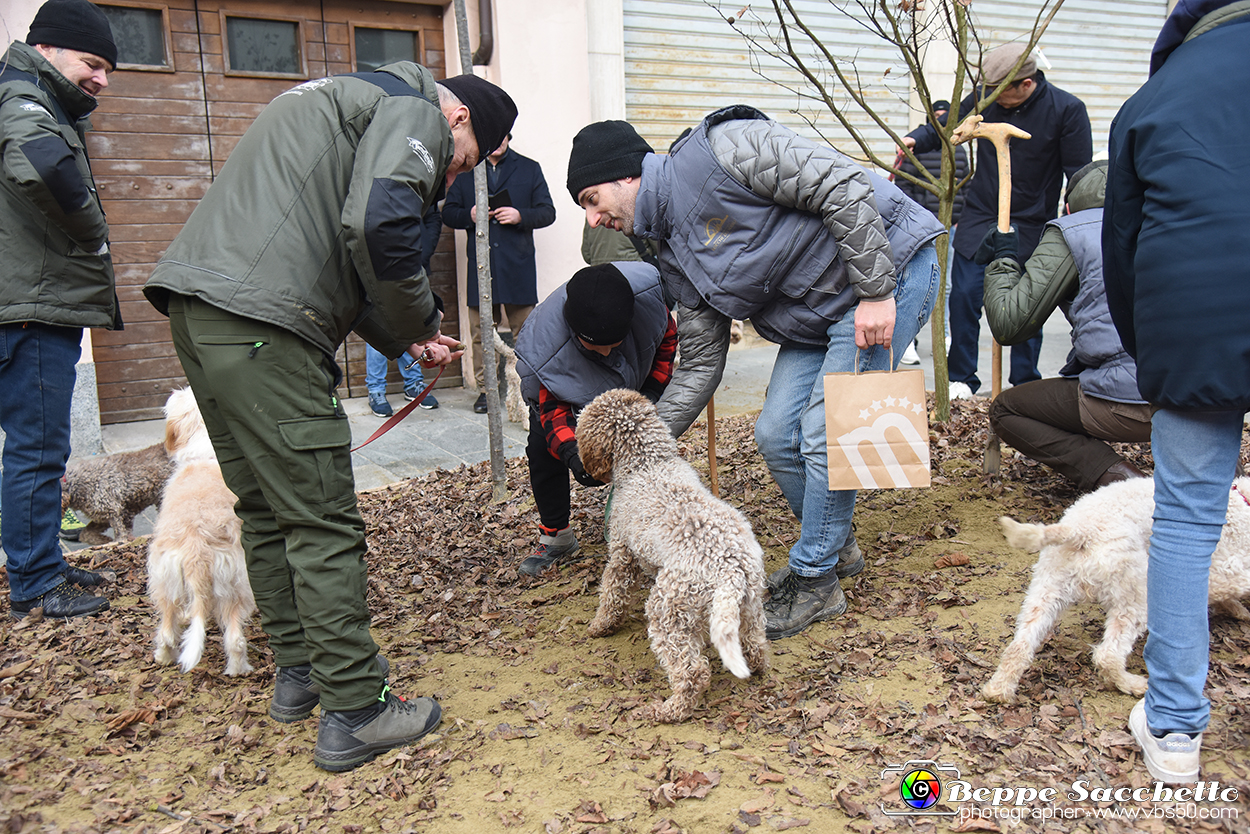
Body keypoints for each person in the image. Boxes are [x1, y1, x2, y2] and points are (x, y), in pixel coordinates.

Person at [143, 66, 516, 771]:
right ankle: (358, 710)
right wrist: (422, 317)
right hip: (264, 326)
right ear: (459, 117)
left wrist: (402, 336)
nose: (449, 178)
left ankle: (300, 675)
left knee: (267, 509)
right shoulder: (415, 110)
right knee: (320, 519)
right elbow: (378, 224)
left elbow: (339, 237)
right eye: (461, 163)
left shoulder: (337, 98)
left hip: (203, 313)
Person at [567, 108, 944, 640]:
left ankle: (817, 579)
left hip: (887, 272)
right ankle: (836, 545)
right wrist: (640, 444)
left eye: (591, 200)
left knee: (824, 433)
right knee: (773, 435)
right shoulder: (671, 251)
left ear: (625, 175)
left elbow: (840, 183)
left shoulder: (723, 147)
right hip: (817, 313)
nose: (592, 218)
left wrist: (877, 292)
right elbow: (700, 361)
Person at [1103, 0, 1250, 785]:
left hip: (1195, 327)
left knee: (1188, 525)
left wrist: (1148, 350)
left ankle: (1175, 734)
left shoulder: (1155, 98)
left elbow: (1121, 253)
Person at [1, 0, 120, 619]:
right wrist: (94, 232)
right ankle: (37, 586)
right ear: (46, 48)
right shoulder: (24, 101)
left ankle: (38, 561)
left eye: (107, 69)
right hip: (32, 308)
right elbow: (44, 167)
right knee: (37, 451)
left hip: (26, 300)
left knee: (35, 449)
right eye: (92, 63)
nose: (100, 79)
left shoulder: (25, 95)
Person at [904, 43, 1092, 399]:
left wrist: (1080, 217)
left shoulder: (1067, 110)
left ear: (1026, 83)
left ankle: (1024, 381)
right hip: (980, 218)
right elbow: (946, 125)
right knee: (963, 297)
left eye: (998, 91)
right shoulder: (984, 98)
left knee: (1029, 304)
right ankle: (962, 377)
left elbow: (1078, 174)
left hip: (1032, 222)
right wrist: (917, 138)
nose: (988, 98)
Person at [979, 160, 1150, 491]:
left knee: (1006, 410)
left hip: (1127, 400)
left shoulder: (1073, 230)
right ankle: (1222, 483)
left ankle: (1124, 482)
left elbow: (1010, 324)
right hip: (1200, 392)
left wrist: (1003, 260)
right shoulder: (1171, 221)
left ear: (1069, 206)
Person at [514, 262, 677, 576]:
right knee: (541, 449)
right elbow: (552, 412)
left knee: (649, 453)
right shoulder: (547, 352)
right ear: (576, 333)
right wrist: (576, 457)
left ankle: (652, 530)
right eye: (594, 346)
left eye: (612, 342)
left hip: (635, 379)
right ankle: (557, 538)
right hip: (571, 393)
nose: (604, 352)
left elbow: (666, 342)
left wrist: (653, 391)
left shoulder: (649, 305)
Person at [443, 132, 555, 414]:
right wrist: (468, 215)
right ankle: (486, 391)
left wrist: (520, 216)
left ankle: (532, 390)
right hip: (480, 266)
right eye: (495, 134)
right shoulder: (467, 171)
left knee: (527, 332)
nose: (500, 139)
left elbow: (547, 212)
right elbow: (447, 214)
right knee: (482, 333)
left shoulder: (529, 168)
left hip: (517, 266)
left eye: (504, 134)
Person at [893, 99, 967, 366]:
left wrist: (957, 219)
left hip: (949, 229)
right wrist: (919, 222)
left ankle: (943, 338)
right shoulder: (916, 149)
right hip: (920, 232)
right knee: (914, 283)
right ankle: (908, 342)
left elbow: (965, 187)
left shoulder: (959, 150)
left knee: (945, 286)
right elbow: (904, 188)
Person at [365, 204, 443, 416]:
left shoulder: (422, 183)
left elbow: (433, 218)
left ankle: (414, 384)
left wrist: (421, 254)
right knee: (378, 322)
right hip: (380, 266)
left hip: (415, 266)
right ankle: (376, 389)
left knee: (414, 322)